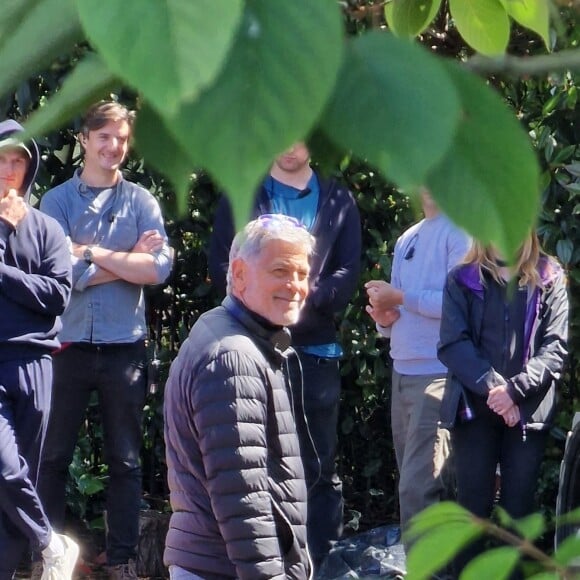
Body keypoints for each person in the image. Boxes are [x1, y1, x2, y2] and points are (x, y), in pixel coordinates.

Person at [37, 101, 173, 579]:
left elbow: (157, 269)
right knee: (50, 456)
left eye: (121, 139)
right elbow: (57, 274)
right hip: (66, 347)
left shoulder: (141, 201)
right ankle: (48, 554)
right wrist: (123, 261)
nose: (114, 147)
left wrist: (92, 252)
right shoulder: (55, 203)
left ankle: (121, 560)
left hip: (124, 349)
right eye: (105, 137)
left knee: (125, 459)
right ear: (84, 140)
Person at [209, 143, 361, 568]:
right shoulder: (241, 191)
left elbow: (347, 273)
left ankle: (320, 566)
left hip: (315, 352)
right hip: (250, 349)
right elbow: (223, 261)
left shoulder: (338, 199)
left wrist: (292, 306)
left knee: (318, 466)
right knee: (253, 462)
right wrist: (268, 312)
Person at [164, 214, 314, 579]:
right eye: (280, 271)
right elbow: (243, 496)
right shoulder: (234, 357)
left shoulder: (234, 334)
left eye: (302, 273)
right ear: (240, 273)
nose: (295, 286)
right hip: (223, 567)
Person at [437, 232, 568, 574]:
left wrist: (515, 392)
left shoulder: (550, 277)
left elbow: (555, 349)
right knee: (471, 512)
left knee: (518, 512)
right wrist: (497, 390)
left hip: (527, 413)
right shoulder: (461, 279)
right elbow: (453, 343)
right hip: (474, 411)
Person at [365, 190, 470, 540]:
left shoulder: (461, 232)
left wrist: (401, 298)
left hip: (439, 374)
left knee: (419, 491)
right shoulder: (407, 237)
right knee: (416, 489)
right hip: (402, 372)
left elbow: (459, 304)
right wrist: (383, 316)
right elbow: (395, 313)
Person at [0, 122, 78, 578]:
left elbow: (56, 297)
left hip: (33, 364)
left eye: (18, 161)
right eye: (2, 160)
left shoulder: (48, 229)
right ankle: (50, 542)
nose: (9, 170)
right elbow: (39, 294)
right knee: (5, 467)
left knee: (16, 481)